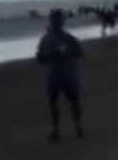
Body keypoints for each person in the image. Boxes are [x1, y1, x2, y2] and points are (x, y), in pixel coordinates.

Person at [36, 9, 85, 143]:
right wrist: (51, 55)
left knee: (73, 102)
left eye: (59, 19)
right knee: (53, 103)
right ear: (51, 21)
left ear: (63, 21)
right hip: (53, 74)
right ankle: (56, 129)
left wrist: (67, 53)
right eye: (54, 19)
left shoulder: (69, 38)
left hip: (68, 74)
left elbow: (80, 53)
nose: (56, 22)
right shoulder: (45, 39)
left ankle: (78, 126)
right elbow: (39, 58)